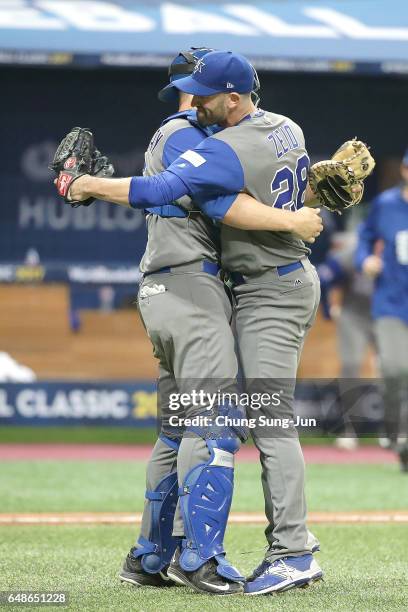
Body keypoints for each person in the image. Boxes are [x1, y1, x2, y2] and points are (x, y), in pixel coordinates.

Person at [55, 50, 326, 595]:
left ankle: (282, 552)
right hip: (206, 287)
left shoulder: (222, 142)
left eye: (197, 89)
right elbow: (223, 204)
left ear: (232, 96)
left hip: (255, 288)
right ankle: (196, 558)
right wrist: (298, 213)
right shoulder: (269, 129)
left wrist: (86, 185)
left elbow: (214, 197)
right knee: (208, 421)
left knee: (245, 422)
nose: (189, 99)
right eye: (185, 89)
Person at [356, 150, 408, 471]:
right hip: (390, 301)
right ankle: (393, 430)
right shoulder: (386, 205)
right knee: (394, 368)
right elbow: (364, 238)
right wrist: (365, 260)